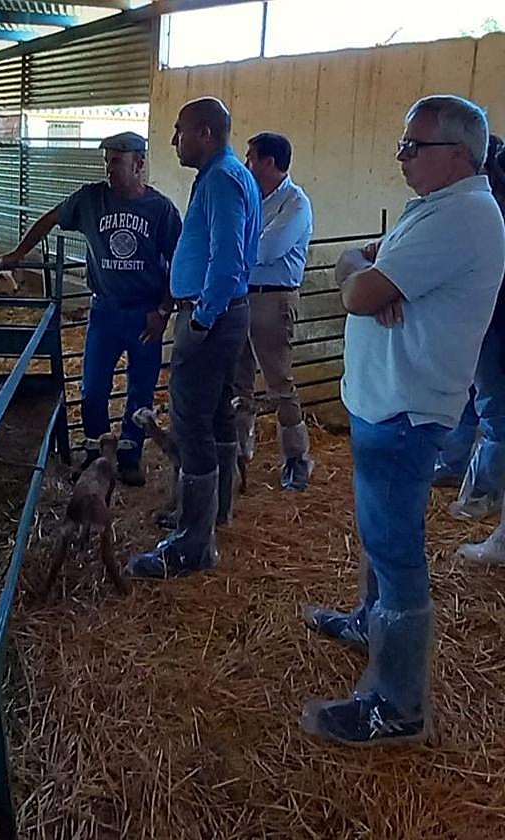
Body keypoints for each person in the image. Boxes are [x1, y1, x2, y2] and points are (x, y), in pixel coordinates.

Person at [301, 96, 505, 745]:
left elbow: (358, 289)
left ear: (458, 154)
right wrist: (365, 272)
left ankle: (397, 703)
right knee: (379, 532)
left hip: (406, 409)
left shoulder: (463, 216)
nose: (401, 155)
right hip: (385, 401)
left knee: (394, 547)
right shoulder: (437, 208)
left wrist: (365, 277)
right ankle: (370, 622)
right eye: (402, 143)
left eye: (413, 146)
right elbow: (359, 274)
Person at [0, 131, 182, 486]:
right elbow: (51, 218)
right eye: (107, 161)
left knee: (140, 390)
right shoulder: (91, 199)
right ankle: (97, 454)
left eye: (116, 161)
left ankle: (130, 456)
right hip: (105, 310)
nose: (109, 169)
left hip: (144, 312)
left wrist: (163, 310)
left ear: (138, 164)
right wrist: (19, 253)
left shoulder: (160, 209)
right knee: (93, 388)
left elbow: (179, 260)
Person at [128, 97, 261, 579]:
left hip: (211, 315)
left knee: (191, 422)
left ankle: (192, 543)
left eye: (179, 130)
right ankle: (212, 512)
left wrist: (202, 318)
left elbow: (227, 257)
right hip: (228, 313)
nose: (173, 140)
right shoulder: (228, 175)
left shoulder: (221, 179)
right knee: (218, 413)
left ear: (205, 132)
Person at [236, 131, 315, 491]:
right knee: (238, 380)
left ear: (269, 162)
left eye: (251, 157)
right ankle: (239, 451)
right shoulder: (252, 199)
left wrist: (235, 248)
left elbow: (266, 249)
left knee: (280, 383)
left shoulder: (296, 203)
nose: (246, 163)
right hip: (241, 295)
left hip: (273, 298)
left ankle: (297, 458)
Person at [444, 133, 505, 519]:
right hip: (482, 317)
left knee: (491, 405)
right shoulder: (484, 205)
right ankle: (456, 466)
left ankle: (485, 489)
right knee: (471, 396)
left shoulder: (487, 208)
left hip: (492, 318)